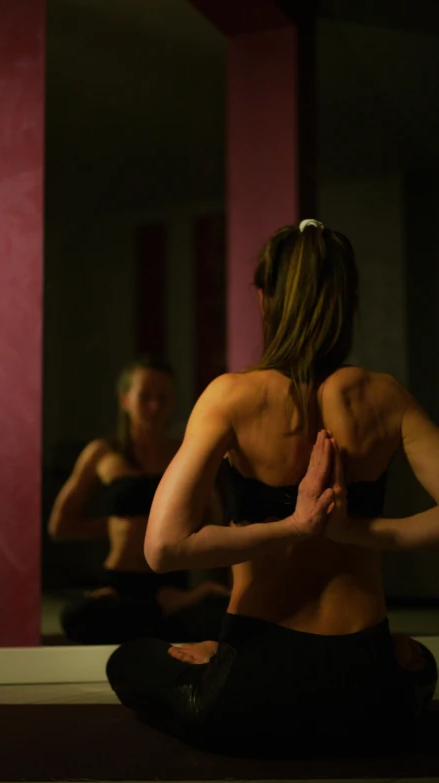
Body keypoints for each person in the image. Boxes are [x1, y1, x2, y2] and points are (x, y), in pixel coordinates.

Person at [106, 220, 438, 754]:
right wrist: (353, 533)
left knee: (130, 659)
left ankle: (223, 656)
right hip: (367, 694)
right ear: (348, 300)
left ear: (265, 299)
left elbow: (163, 548)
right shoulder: (384, 396)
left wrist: (292, 526)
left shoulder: (231, 397)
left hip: (251, 689)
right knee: (420, 662)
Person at [48, 356, 230, 644]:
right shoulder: (102, 453)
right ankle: (157, 611)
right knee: (76, 616)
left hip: (171, 583)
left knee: (220, 615)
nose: (155, 406)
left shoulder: (183, 452)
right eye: (145, 396)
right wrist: (112, 526)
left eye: (164, 397)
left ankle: (164, 610)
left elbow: (213, 519)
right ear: (125, 400)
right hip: (120, 584)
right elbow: (60, 525)